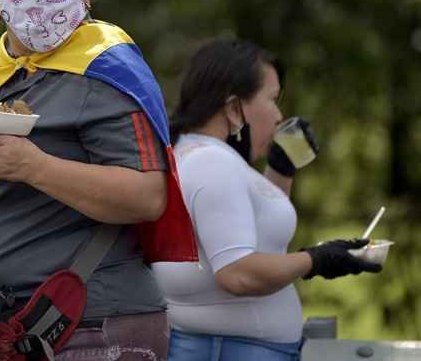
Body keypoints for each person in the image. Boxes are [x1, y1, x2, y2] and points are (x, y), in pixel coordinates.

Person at [0, 0, 197, 360]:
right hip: (2, 327)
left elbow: (147, 195)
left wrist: (33, 165)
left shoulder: (106, 68)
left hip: (89, 328)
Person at [152, 40, 382, 361]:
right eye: (272, 100)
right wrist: (316, 259)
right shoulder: (212, 164)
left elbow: (255, 241)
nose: (279, 115)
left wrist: (280, 170)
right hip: (233, 351)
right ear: (234, 108)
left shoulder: (196, 155)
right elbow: (237, 273)